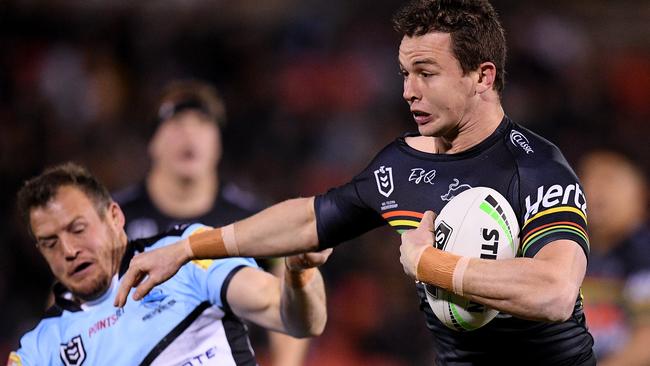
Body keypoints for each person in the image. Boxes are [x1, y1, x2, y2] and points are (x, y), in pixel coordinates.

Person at [115, 1, 595, 364]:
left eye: (426, 73)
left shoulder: (535, 168)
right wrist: (188, 248)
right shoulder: (400, 167)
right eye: (405, 74)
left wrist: (431, 263)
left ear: (482, 77)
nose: (409, 90)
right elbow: (311, 217)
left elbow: (553, 291)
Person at [7, 163, 329, 366]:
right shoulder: (42, 348)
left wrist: (299, 274)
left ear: (115, 217)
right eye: (50, 243)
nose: (68, 250)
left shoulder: (183, 256)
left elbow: (296, 319)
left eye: (78, 229)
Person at [114, 80, 311, 365]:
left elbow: (290, 289)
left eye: (203, 123)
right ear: (152, 141)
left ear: (218, 142)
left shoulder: (250, 217)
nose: (190, 134)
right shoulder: (115, 219)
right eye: (176, 122)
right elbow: (71, 298)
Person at [578, 150, 650, 365]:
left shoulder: (643, 253)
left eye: (608, 178)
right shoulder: (568, 246)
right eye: (587, 177)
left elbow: (646, 340)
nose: (594, 189)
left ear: (639, 193)